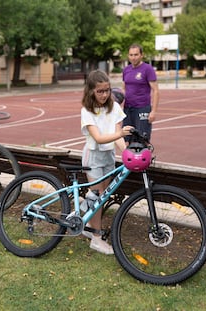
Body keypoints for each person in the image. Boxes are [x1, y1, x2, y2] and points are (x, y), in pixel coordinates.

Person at [81, 69, 133, 255]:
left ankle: (87, 222)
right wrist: (119, 134)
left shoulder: (115, 108)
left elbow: (117, 136)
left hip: (108, 156)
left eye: (107, 90)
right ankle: (96, 238)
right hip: (93, 156)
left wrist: (127, 152)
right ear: (91, 91)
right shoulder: (87, 111)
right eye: (99, 91)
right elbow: (98, 137)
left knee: (102, 195)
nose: (104, 95)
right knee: (98, 195)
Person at [122, 43, 159, 142]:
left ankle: (145, 158)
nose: (133, 57)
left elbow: (155, 90)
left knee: (143, 140)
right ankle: (129, 157)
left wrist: (153, 111)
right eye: (131, 55)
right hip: (128, 109)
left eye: (136, 54)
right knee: (127, 139)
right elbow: (124, 88)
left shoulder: (148, 69)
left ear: (141, 55)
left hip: (142, 108)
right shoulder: (126, 70)